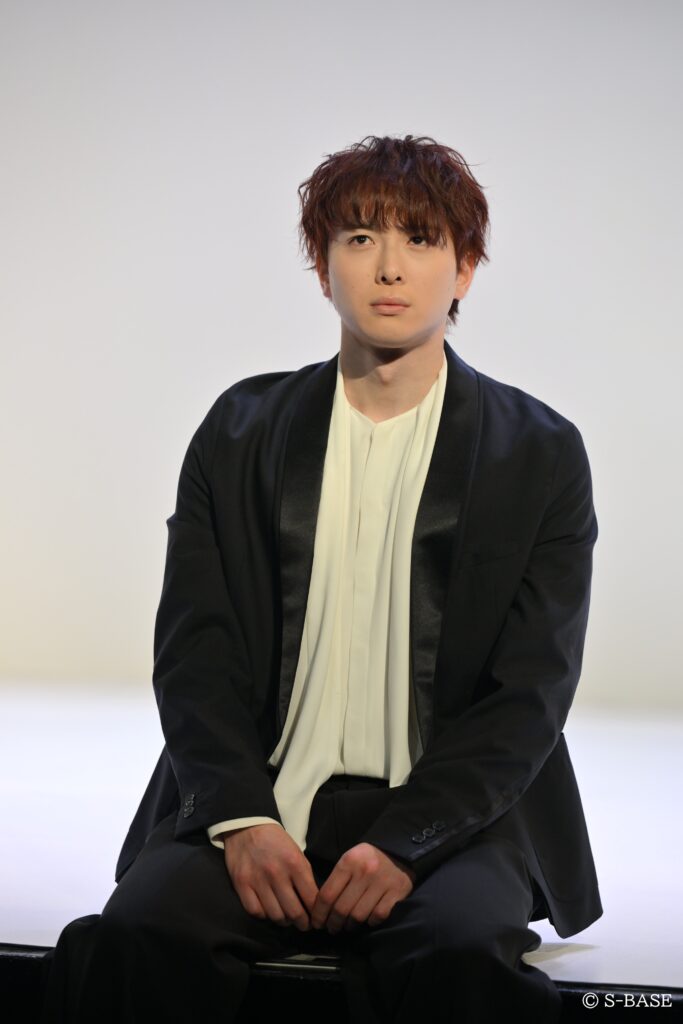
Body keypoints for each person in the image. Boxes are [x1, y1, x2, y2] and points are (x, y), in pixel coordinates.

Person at [39, 133, 602, 1023]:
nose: (388, 267)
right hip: (262, 806)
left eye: (420, 240)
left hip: (448, 826)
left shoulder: (537, 453)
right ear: (321, 266)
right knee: (140, 936)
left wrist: (406, 843)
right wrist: (241, 821)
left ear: (464, 270)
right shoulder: (239, 431)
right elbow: (195, 652)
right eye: (359, 238)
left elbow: (530, 690)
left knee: (457, 957)